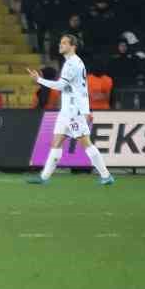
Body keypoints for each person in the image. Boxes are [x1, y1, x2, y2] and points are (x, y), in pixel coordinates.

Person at [26, 33, 115, 186]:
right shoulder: (73, 62)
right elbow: (82, 89)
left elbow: (60, 86)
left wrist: (39, 80)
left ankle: (106, 176)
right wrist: (87, 110)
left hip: (74, 112)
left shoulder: (72, 64)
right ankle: (44, 178)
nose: (61, 45)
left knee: (86, 143)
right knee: (56, 142)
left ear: (73, 46)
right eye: (60, 43)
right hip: (67, 111)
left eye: (64, 43)